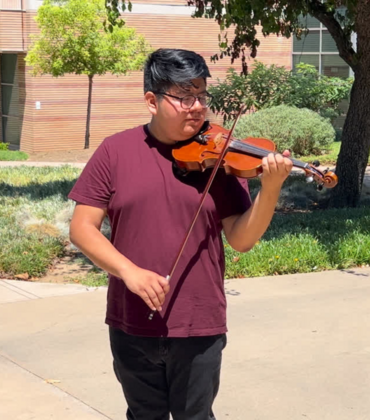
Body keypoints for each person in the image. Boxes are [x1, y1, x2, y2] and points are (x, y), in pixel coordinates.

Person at [68, 48, 293, 420]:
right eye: (185, 96)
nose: (198, 106)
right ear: (152, 101)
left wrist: (270, 189)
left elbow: (241, 238)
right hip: (132, 321)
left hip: (198, 321)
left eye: (202, 95)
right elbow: (82, 228)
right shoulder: (115, 151)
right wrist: (130, 272)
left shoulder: (219, 159)